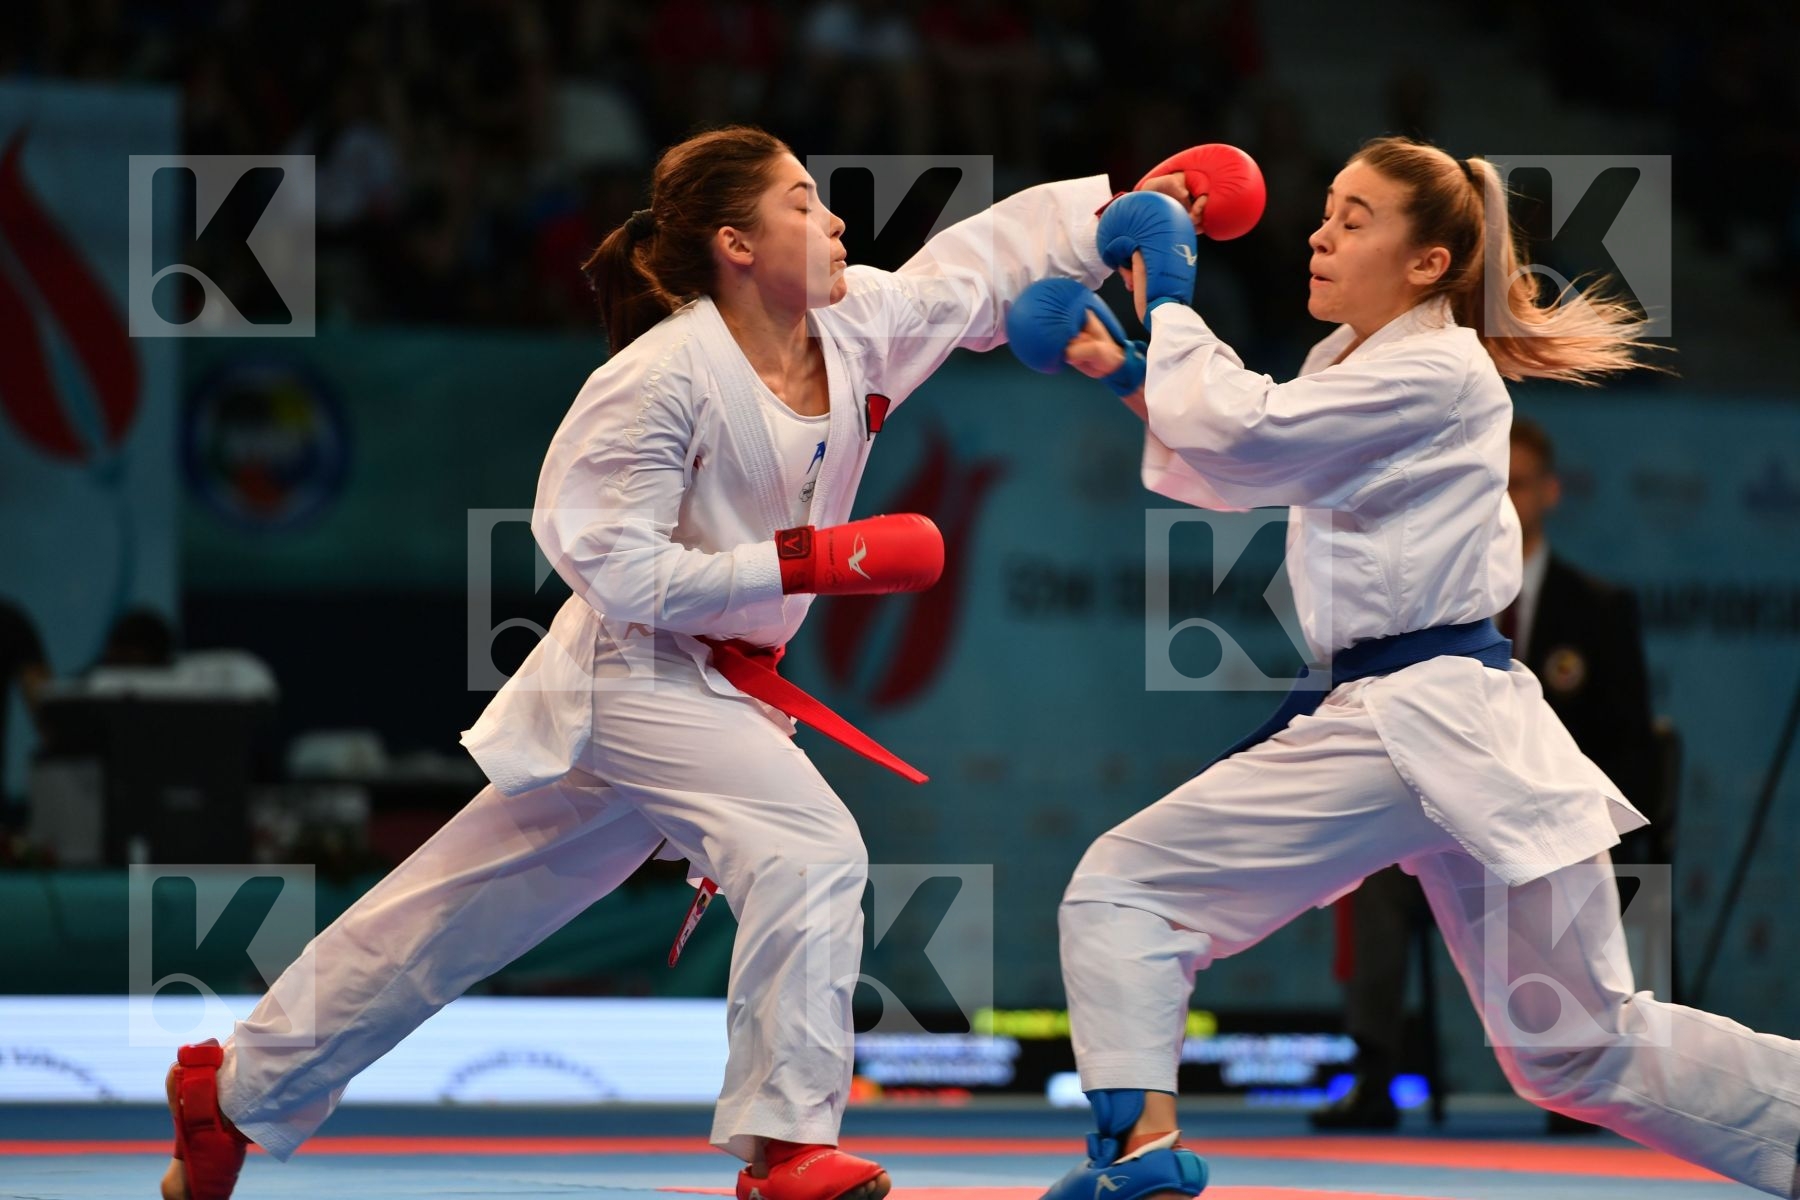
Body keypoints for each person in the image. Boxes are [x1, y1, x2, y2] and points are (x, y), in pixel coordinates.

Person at [158, 126, 1118, 1200]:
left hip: (722, 681)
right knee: (809, 847)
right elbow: (613, 566)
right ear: (736, 244)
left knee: (452, 912)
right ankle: (786, 1147)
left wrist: (1114, 218)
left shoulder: (857, 325)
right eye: (804, 202)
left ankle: (233, 1093)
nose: (836, 218)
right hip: (634, 671)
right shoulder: (658, 378)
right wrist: (802, 561)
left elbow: (972, 272)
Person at [1008, 136, 1800, 1199]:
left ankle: (1138, 1161)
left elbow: (1242, 432)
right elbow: (1246, 464)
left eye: (1355, 218)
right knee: (1574, 1047)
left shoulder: (1437, 367)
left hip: (1413, 713)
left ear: (1428, 263)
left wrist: (1174, 287)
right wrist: (1130, 375)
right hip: (1459, 730)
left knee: (1127, 889)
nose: (1320, 235)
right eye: (1325, 211)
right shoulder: (1352, 360)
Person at [1312, 415, 1664, 1133]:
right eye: (1492, 482)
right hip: (1440, 809)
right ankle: (1374, 1071)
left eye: (1520, 484)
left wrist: (1580, 821)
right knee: (1375, 873)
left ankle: (1588, 1075)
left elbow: (1629, 743)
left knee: (1594, 861)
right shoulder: (1429, 596)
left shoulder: (1596, 608)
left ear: (1551, 492)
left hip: (1546, 816)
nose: (1504, 498)